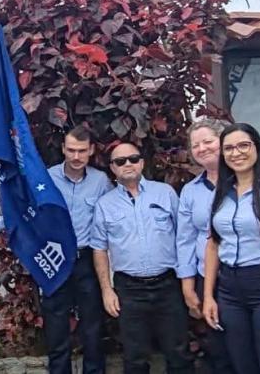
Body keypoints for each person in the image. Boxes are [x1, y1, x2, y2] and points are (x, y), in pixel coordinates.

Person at [175, 118, 260, 373]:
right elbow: (212, 245)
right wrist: (209, 296)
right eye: (229, 148)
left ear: (257, 148)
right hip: (230, 291)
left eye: (243, 145)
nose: (236, 153)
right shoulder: (221, 194)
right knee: (242, 366)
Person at [0, 127, 111, 374]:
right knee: (56, 326)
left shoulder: (101, 181)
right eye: (71, 150)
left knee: (93, 327)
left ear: (91, 151)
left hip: (86, 260)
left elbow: (113, 215)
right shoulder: (47, 178)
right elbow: (22, 209)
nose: (76, 156)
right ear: (63, 149)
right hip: (55, 260)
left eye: (82, 151)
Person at [92, 143, 193, 374]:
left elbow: (184, 237)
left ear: (142, 162)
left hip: (168, 285)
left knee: (179, 353)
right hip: (129, 289)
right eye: (120, 161)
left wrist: (187, 281)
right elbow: (99, 249)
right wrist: (107, 290)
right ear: (112, 168)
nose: (128, 164)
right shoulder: (104, 205)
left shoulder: (165, 193)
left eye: (133, 158)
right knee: (135, 358)